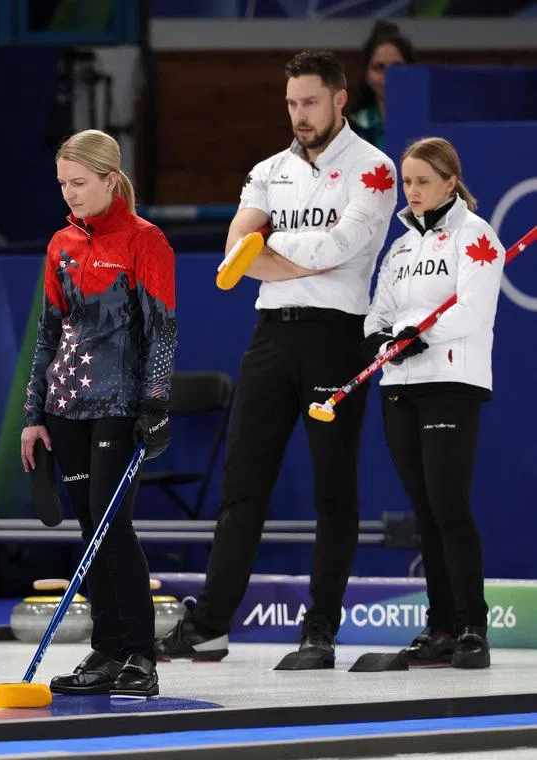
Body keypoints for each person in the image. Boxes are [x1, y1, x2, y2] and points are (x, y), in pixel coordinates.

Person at [155, 50, 398, 669]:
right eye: (291, 103)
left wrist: (268, 250)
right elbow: (234, 252)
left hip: (338, 338)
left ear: (341, 99)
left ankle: (319, 632)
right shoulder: (268, 169)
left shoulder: (375, 168)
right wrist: (290, 253)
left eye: (310, 102)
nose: (300, 115)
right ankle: (209, 625)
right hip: (270, 337)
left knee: (333, 491)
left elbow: (344, 246)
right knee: (242, 487)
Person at [20, 129, 177, 699]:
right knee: (90, 528)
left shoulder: (146, 241)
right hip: (67, 405)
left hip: (120, 405)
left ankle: (141, 653)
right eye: (63, 184)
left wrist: (155, 403)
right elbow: (46, 333)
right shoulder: (60, 243)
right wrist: (33, 413)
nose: (70, 195)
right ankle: (108, 650)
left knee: (111, 526)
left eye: (79, 183)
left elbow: (162, 328)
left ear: (111, 180)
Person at [362, 137, 503, 669]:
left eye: (424, 180)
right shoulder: (400, 249)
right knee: (424, 510)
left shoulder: (475, 236)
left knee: (448, 505)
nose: (413, 190)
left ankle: (472, 626)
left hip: (451, 381)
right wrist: (382, 337)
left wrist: (419, 331)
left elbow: (473, 310)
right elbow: (379, 311)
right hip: (400, 384)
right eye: (407, 180)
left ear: (450, 181)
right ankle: (440, 624)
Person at [350, 20, 415, 152]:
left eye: (397, 67)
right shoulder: (352, 128)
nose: (388, 75)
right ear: (366, 75)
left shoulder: (428, 125)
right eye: (379, 67)